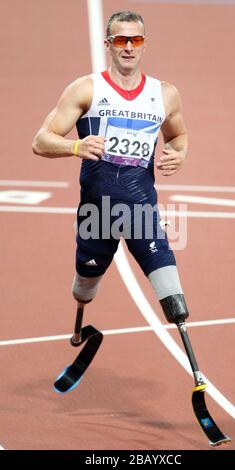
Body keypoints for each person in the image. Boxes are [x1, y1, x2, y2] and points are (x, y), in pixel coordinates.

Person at [32, 10, 189, 334]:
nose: (128, 47)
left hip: (141, 209)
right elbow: (41, 141)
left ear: (144, 44)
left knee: (168, 281)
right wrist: (75, 147)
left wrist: (179, 153)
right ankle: (79, 316)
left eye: (136, 39)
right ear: (108, 44)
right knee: (86, 281)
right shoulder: (85, 89)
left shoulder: (165, 94)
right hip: (96, 213)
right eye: (121, 39)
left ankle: (196, 372)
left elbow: (177, 136)